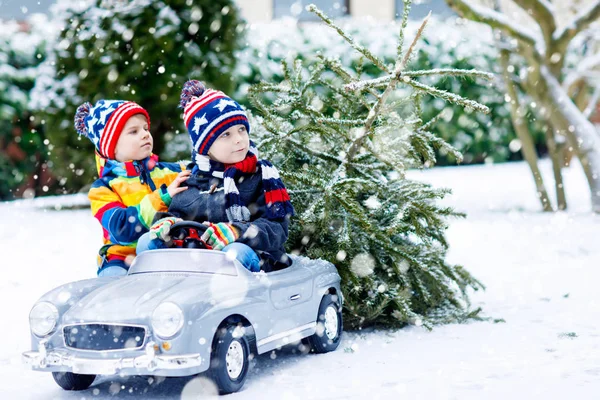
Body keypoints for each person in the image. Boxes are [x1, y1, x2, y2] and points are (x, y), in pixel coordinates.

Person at [136, 81, 294, 272]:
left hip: (256, 258)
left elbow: (277, 228)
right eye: (226, 134)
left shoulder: (260, 176)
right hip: (197, 261)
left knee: (233, 253)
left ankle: (231, 297)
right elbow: (177, 216)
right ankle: (157, 294)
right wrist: (167, 223)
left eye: (241, 129)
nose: (238, 139)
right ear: (205, 147)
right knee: (147, 243)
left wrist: (237, 231)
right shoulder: (191, 180)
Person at [74, 99, 190, 276]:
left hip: (166, 253)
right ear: (111, 147)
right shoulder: (103, 189)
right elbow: (122, 229)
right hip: (122, 261)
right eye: (133, 131)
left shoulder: (169, 172)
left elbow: (202, 171)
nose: (145, 135)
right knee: (113, 289)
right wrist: (162, 198)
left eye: (145, 128)